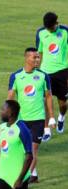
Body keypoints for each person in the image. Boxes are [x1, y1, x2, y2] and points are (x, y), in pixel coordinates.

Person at [8, 48, 55, 183]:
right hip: (22, 120)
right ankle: (33, 175)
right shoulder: (16, 76)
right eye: (34, 57)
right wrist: (8, 117)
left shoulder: (43, 76)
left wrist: (51, 117)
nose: (37, 60)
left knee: (32, 150)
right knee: (23, 150)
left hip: (38, 120)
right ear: (26, 58)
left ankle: (24, 179)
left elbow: (48, 97)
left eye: (38, 57)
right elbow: (10, 97)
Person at [36, 12, 68, 140]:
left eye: (51, 27)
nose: (49, 30)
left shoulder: (65, 32)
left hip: (62, 72)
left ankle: (61, 117)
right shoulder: (41, 33)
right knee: (44, 101)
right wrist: (37, 70)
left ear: (56, 23)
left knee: (63, 103)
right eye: (47, 28)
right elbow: (39, 52)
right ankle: (46, 129)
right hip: (45, 73)